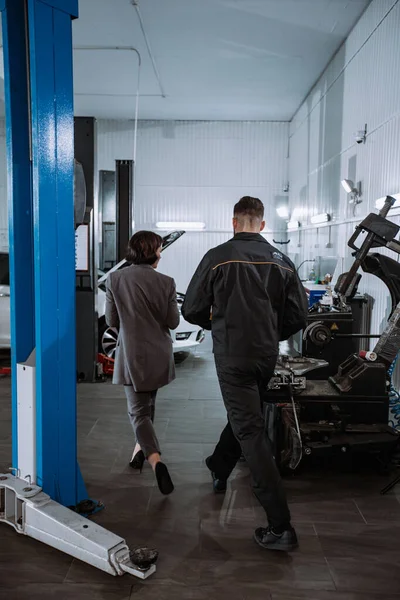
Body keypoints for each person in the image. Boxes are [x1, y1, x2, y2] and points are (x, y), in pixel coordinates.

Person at [182, 196, 308, 551]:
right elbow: (299, 317)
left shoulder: (217, 257)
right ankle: (219, 466)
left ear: (234, 222)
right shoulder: (283, 261)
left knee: (250, 429)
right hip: (265, 355)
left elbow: (191, 308)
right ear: (262, 224)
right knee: (246, 414)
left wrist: (218, 323)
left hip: (232, 354)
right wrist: (271, 333)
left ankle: (280, 526)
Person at [105, 230, 180, 495]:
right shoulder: (167, 282)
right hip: (159, 355)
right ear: (152, 253)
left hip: (132, 356)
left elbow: (111, 321)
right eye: (160, 249)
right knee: (147, 407)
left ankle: (154, 460)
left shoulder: (115, 280)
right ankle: (140, 452)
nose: (161, 254)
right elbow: (173, 322)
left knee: (138, 412)